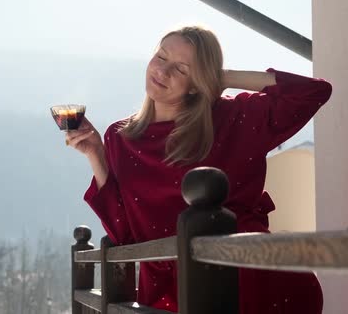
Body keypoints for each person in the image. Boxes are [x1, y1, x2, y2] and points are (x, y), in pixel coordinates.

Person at [66, 25, 332, 314]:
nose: (163, 71)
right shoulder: (120, 137)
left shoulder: (232, 118)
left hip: (247, 275)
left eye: (181, 69)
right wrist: (96, 155)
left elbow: (313, 92)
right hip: (167, 288)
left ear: (197, 83)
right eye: (161, 56)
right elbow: (125, 236)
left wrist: (221, 78)